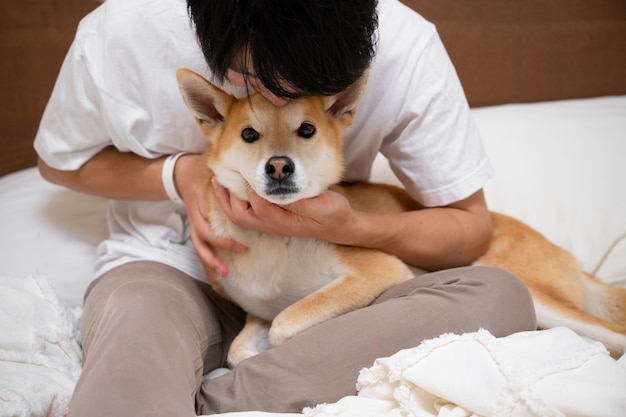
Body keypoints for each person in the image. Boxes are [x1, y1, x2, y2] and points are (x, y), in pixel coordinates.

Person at [34, 0, 536, 415]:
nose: (278, 101)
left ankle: (218, 399)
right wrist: (182, 174)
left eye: (303, 92)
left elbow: (470, 228)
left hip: (329, 284)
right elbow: (59, 162)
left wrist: (355, 225)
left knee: (501, 295)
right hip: (169, 265)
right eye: (257, 83)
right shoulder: (123, 29)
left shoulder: (405, 45)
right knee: (130, 367)